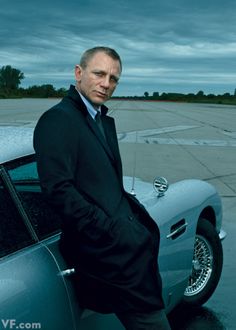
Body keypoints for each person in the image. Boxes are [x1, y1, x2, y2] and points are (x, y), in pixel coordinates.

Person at [33, 46, 171, 330]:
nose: (106, 84)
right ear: (78, 73)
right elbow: (58, 190)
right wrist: (112, 232)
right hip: (106, 253)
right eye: (99, 73)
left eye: (114, 78)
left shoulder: (99, 119)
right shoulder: (58, 119)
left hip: (125, 248)